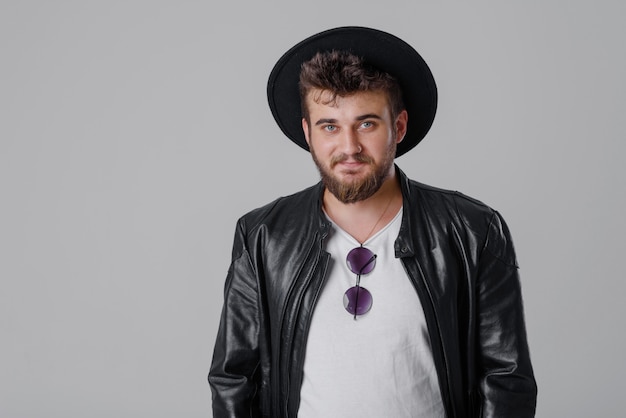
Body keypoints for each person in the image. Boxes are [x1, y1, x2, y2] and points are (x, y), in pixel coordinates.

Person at [208, 26, 537, 417]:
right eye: (330, 126)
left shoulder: (472, 231)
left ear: (397, 127)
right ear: (308, 133)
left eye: (366, 124)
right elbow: (233, 379)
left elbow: (507, 378)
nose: (349, 147)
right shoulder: (263, 236)